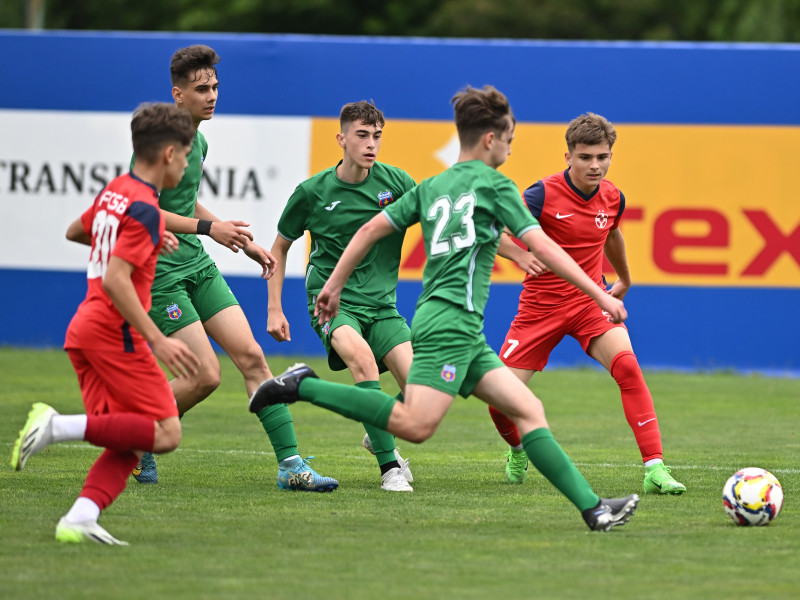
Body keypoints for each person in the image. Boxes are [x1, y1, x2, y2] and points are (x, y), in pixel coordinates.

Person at [250, 85, 640, 531]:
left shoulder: (432, 186)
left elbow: (369, 232)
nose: (510, 150)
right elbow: (544, 247)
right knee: (416, 425)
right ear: (490, 140)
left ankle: (594, 510)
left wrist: (332, 284)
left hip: (458, 327)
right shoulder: (496, 186)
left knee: (528, 410)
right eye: (509, 140)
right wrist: (601, 293)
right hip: (450, 326)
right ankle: (303, 386)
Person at [132, 44, 338, 492]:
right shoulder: (157, 143)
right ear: (177, 94)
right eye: (201, 88)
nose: (212, 95)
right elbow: (144, 211)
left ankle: (292, 467)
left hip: (196, 264)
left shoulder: (198, 139)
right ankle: (136, 435)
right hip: (161, 272)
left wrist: (235, 238)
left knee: (251, 358)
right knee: (205, 376)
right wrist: (210, 228)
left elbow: (181, 201)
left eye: (216, 87)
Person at [10, 103, 200, 545]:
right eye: (187, 155)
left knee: (127, 437)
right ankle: (55, 426)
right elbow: (117, 279)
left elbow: (77, 231)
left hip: (84, 330)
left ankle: (81, 516)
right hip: (116, 333)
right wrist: (159, 340)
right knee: (166, 432)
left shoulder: (117, 190)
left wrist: (148, 238)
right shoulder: (146, 208)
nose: (188, 164)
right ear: (169, 153)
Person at [490, 113, 686, 495]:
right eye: (585, 157)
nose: (595, 165)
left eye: (602, 156)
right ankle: (517, 449)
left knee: (628, 367)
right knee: (499, 403)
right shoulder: (540, 195)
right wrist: (518, 254)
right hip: (540, 308)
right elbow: (490, 231)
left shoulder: (613, 196)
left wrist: (625, 277)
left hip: (589, 303)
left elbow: (612, 234)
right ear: (568, 157)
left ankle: (655, 469)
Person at [267, 101, 417, 491]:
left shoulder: (398, 184)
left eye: (377, 136)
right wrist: (274, 308)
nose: (371, 144)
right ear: (342, 139)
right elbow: (279, 248)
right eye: (362, 135)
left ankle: (377, 426)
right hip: (332, 302)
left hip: (383, 307)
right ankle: (390, 469)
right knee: (362, 362)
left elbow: (436, 222)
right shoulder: (312, 192)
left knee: (422, 388)